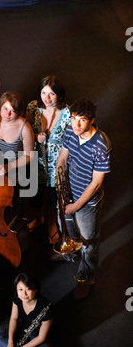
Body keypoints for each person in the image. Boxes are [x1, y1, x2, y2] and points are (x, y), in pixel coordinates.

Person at [56, 97, 111, 299]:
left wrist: (76, 205)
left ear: (92, 120)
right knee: (66, 229)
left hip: (86, 203)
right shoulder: (70, 130)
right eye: (73, 118)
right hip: (68, 193)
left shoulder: (101, 145)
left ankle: (86, 278)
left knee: (89, 242)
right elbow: (62, 158)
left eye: (82, 120)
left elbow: (96, 183)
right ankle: (69, 253)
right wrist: (60, 185)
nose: (76, 124)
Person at [26, 75, 70, 244]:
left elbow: (71, 140)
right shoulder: (33, 107)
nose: (47, 98)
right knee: (35, 195)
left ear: (59, 94)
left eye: (51, 93)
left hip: (56, 162)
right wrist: (36, 137)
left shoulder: (67, 112)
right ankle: (39, 219)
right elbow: (25, 130)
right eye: (44, 93)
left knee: (53, 197)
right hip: (36, 161)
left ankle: (52, 223)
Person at [0, 91, 35, 213]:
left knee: (10, 191)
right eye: (5, 108)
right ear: (0, 106)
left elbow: (29, 156)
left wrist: (7, 167)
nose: (7, 114)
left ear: (18, 112)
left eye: (12, 111)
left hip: (17, 164)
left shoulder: (25, 127)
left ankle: (12, 217)